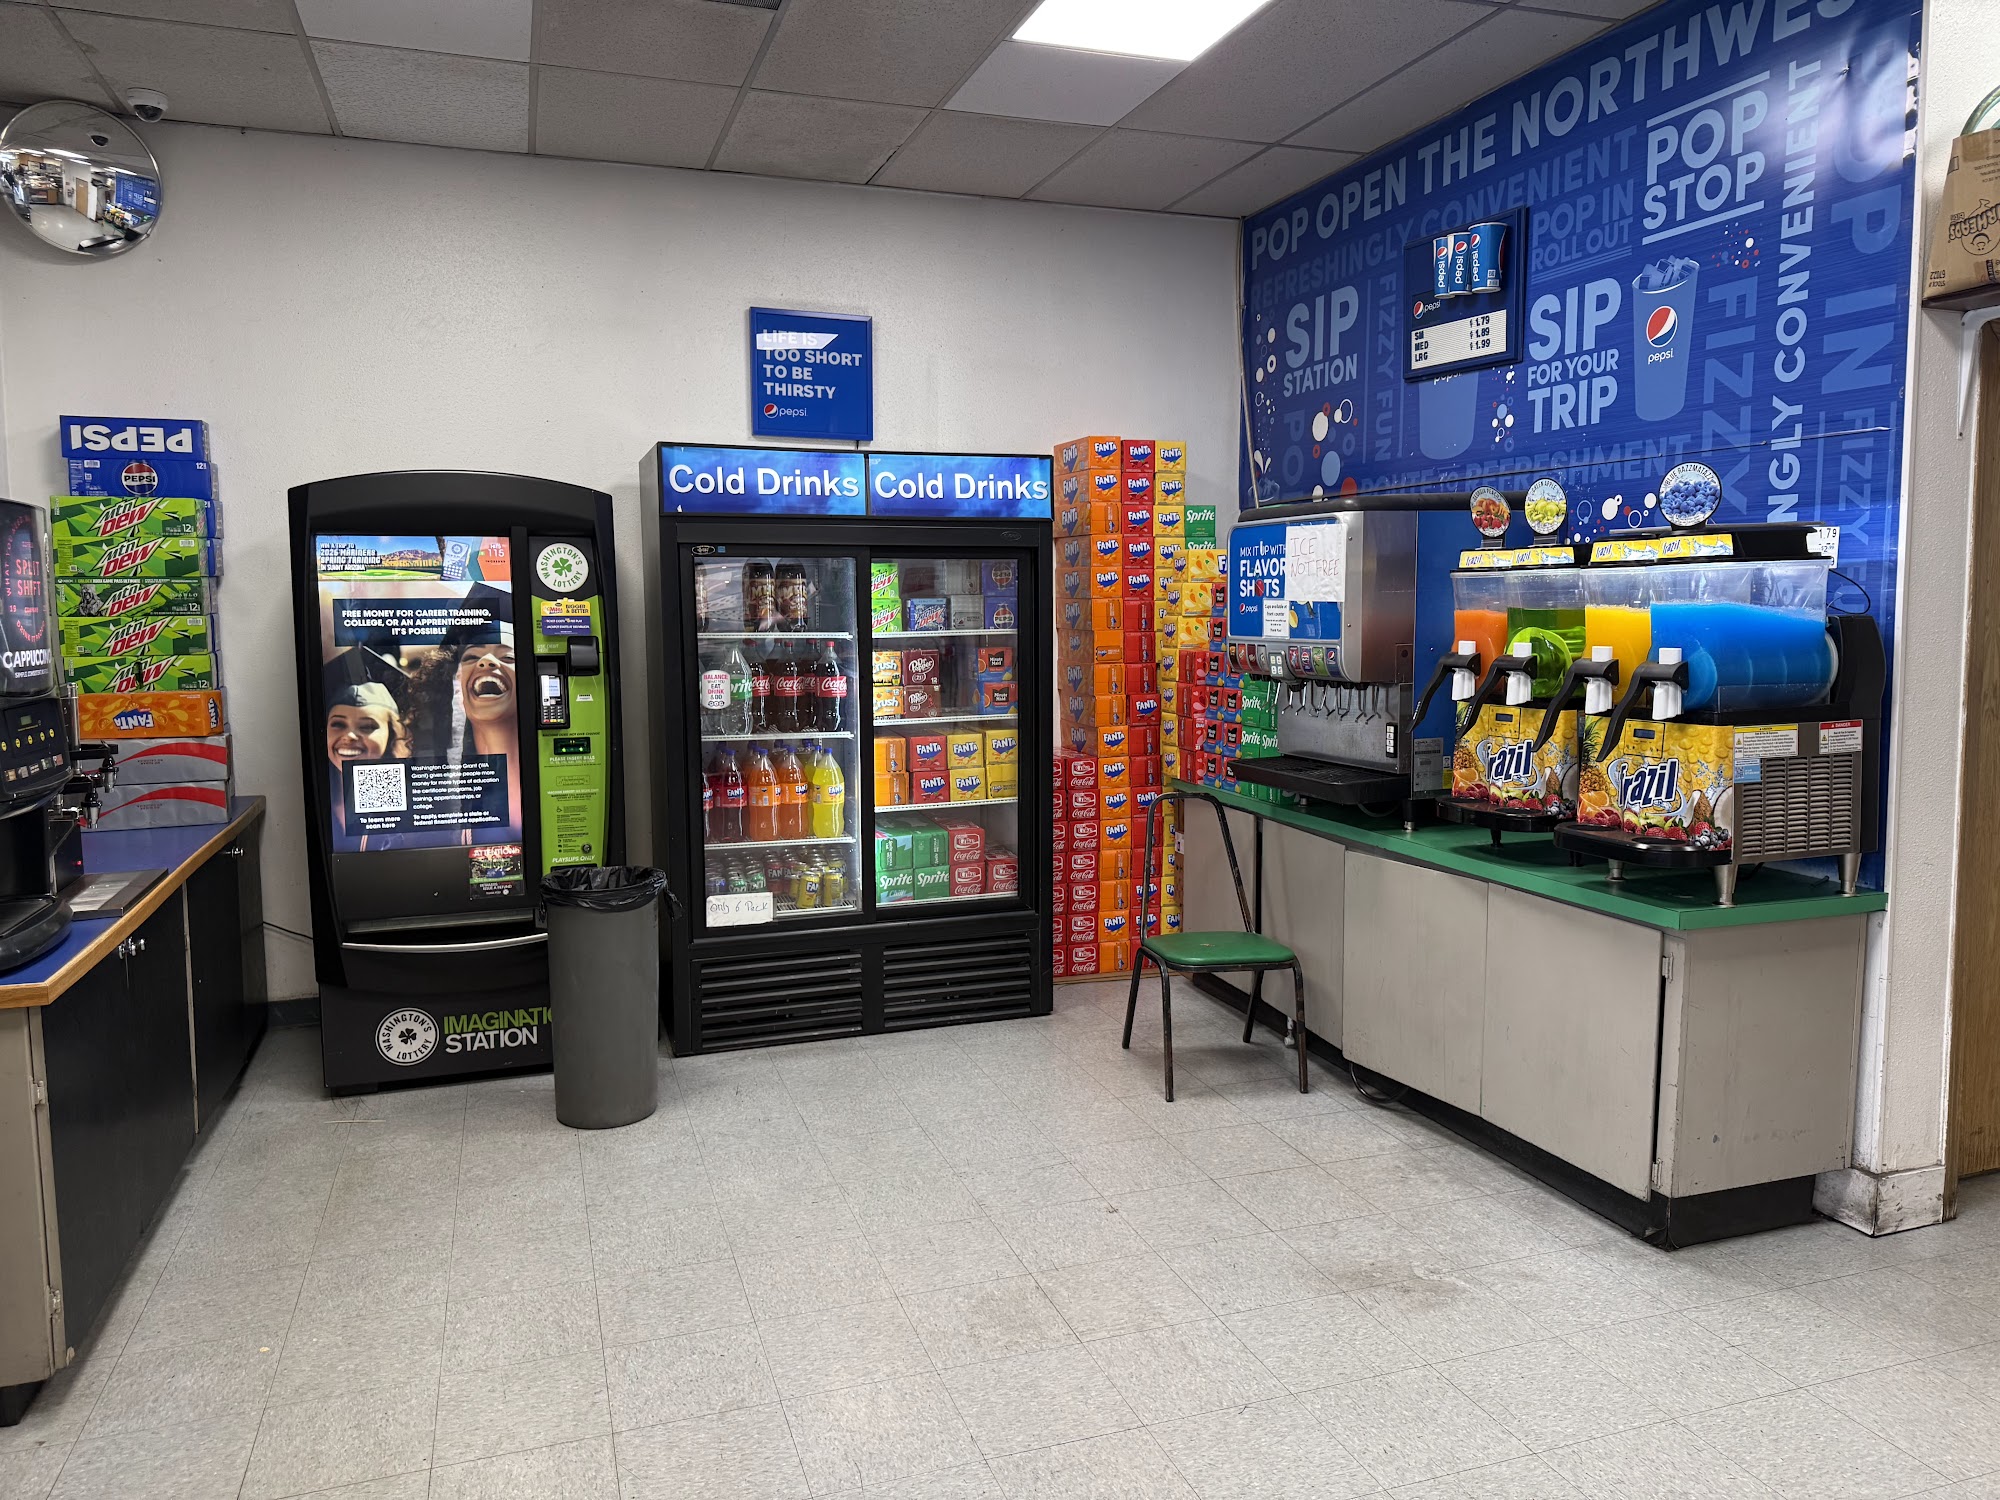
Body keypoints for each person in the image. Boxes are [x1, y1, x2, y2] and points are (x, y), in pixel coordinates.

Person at [324, 680, 410, 851]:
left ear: (392, 735)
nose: (349, 736)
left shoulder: (409, 798)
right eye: (338, 724)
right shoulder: (312, 790)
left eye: (367, 726)